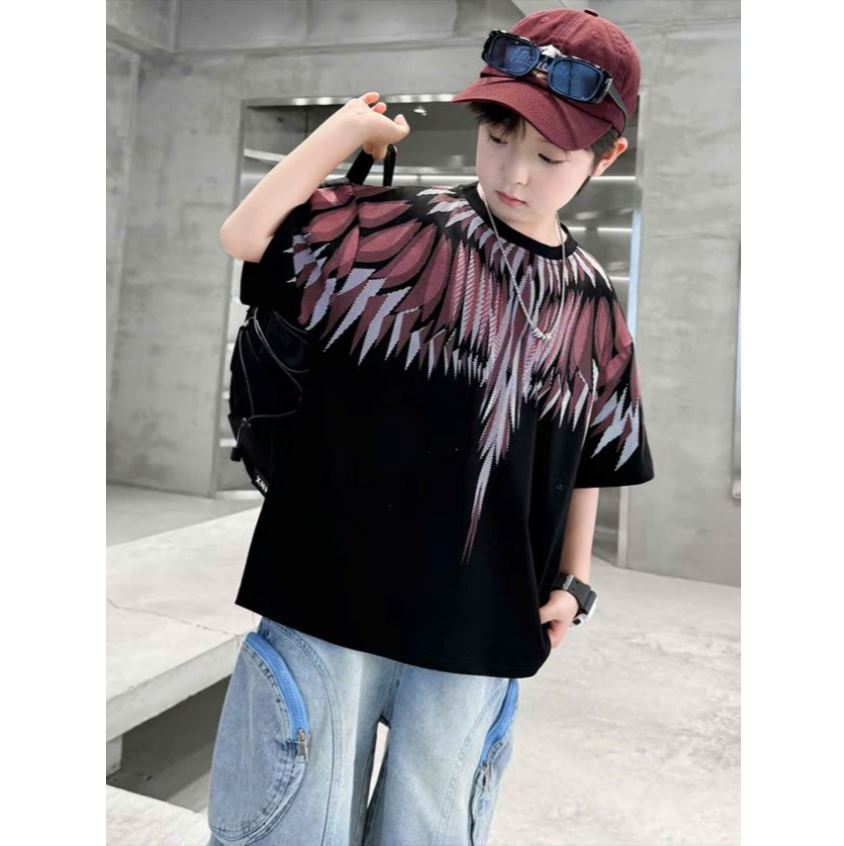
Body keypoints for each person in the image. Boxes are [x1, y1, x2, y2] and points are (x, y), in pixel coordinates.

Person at [207, 8, 655, 846]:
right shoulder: (392, 228)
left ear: (606, 157)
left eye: (550, 156)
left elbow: (591, 448)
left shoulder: (594, 302)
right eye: (498, 136)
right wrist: (344, 130)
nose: (514, 172)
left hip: (482, 620)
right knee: (290, 827)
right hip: (327, 591)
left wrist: (575, 581)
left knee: (430, 832)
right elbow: (247, 234)